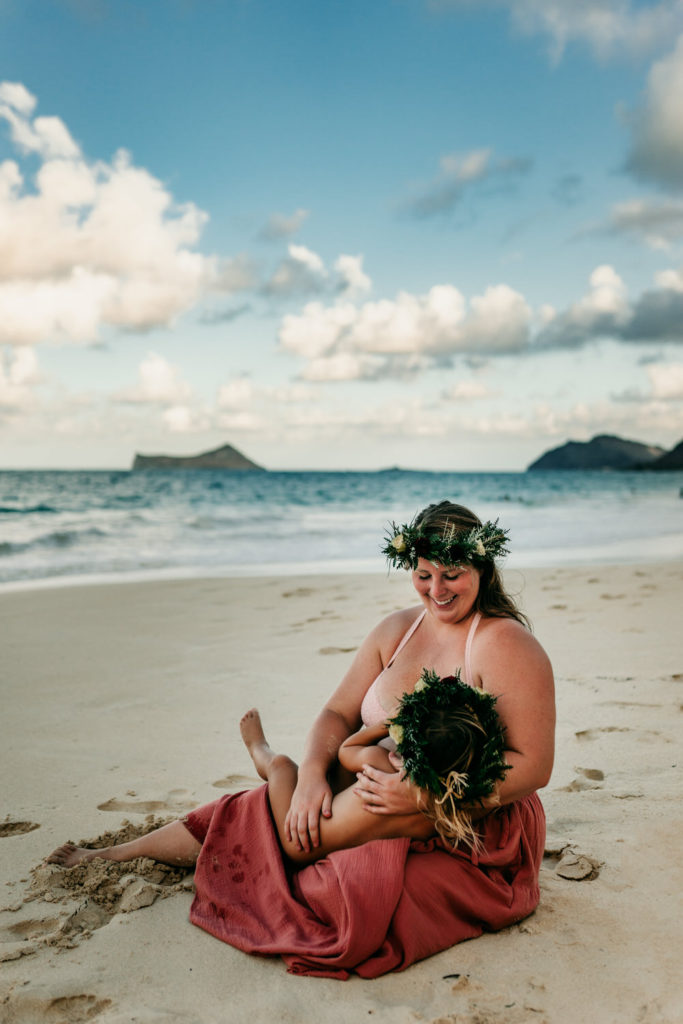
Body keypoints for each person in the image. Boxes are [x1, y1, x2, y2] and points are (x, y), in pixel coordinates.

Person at [48, 500, 555, 979]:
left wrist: (427, 793)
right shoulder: (397, 630)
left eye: (452, 574)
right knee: (259, 809)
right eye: (424, 574)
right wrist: (313, 775)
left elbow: (533, 766)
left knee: (346, 892)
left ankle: (274, 778)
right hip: (369, 779)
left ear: (481, 567)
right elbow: (338, 713)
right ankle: (123, 853)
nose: (436, 589)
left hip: (464, 813)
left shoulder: (504, 643)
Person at [238, 661, 509, 863]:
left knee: (283, 767)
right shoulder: (451, 806)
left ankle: (260, 750)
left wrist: (385, 725)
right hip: (332, 828)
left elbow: (346, 750)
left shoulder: (382, 762)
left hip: (299, 842)